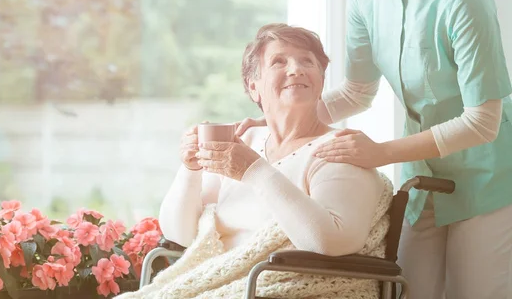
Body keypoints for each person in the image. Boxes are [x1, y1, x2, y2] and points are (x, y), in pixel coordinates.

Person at [237, 0, 512, 298]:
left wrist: (380, 153)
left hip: (489, 176)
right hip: (422, 177)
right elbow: (358, 91)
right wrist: (281, 116)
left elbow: (483, 121)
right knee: (404, 291)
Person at [124, 24, 393, 299]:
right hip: (220, 286)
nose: (295, 69)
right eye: (279, 61)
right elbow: (180, 233)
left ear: (321, 81)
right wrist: (190, 169)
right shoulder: (243, 141)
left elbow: (332, 241)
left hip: (280, 289)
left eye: (307, 61)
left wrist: (253, 171)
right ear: (254, 87)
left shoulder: (341, 149)